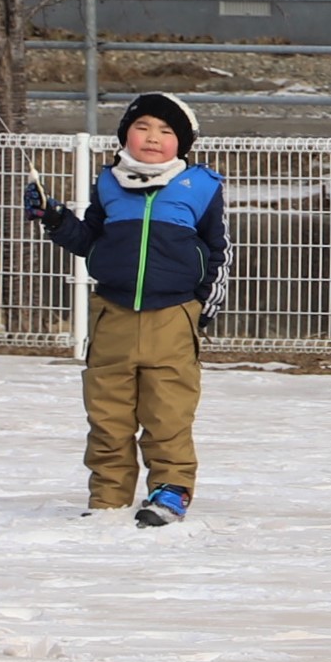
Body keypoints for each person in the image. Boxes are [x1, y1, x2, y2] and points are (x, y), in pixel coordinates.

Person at [26, 92, 230, 527]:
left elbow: (218, 253)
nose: (153, 138)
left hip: (173, 316)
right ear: (125, 136)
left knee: (168, 412)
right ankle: (108, 497)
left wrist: (200, 309)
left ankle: (170, 492)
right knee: (107, 413)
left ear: (183, 144)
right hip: (112, 315)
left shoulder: (203, 187)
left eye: (166, 131)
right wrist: (56, 218)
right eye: (142, 127)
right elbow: (89, 242)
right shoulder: (109, 184)